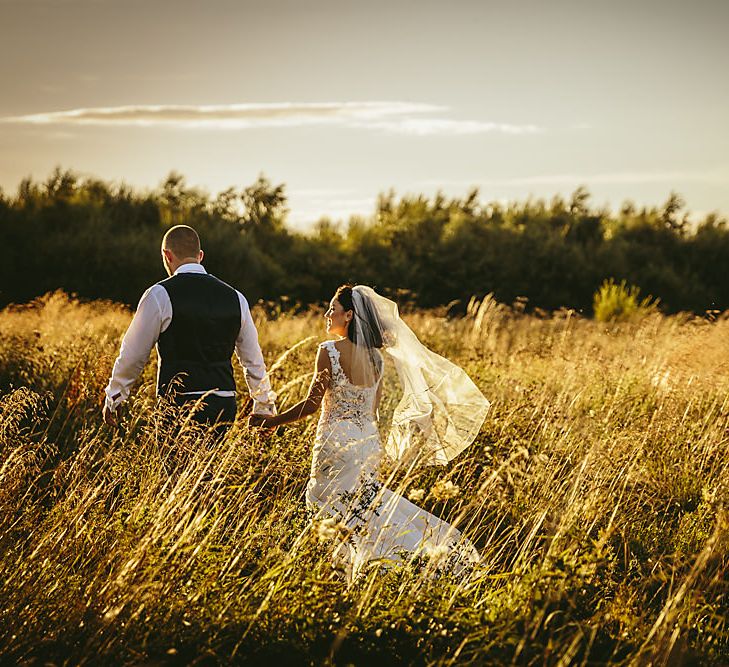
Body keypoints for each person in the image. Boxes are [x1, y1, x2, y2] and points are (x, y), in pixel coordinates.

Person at [249, 284, 490, 579]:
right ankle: (400, 563)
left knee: (329, 505)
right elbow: (372, 411)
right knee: (366, 508)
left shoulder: (328, 351)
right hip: (366, 442)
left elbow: (312, 405)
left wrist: (270, 421)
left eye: (332, 309)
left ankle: (346, 571)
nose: (327, 315)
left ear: (349, 315)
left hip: (334, 442)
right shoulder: (377, 359)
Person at [103, 225, 276, 434]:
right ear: (200, 256)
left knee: (175, 466)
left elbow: (133, 353)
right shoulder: (236, 297)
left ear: (167, 255)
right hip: (224, 405)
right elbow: (253, 360)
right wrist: (264, 405)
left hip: (177, 405)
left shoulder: (159, 295)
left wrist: (115, 395)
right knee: (210, 467)